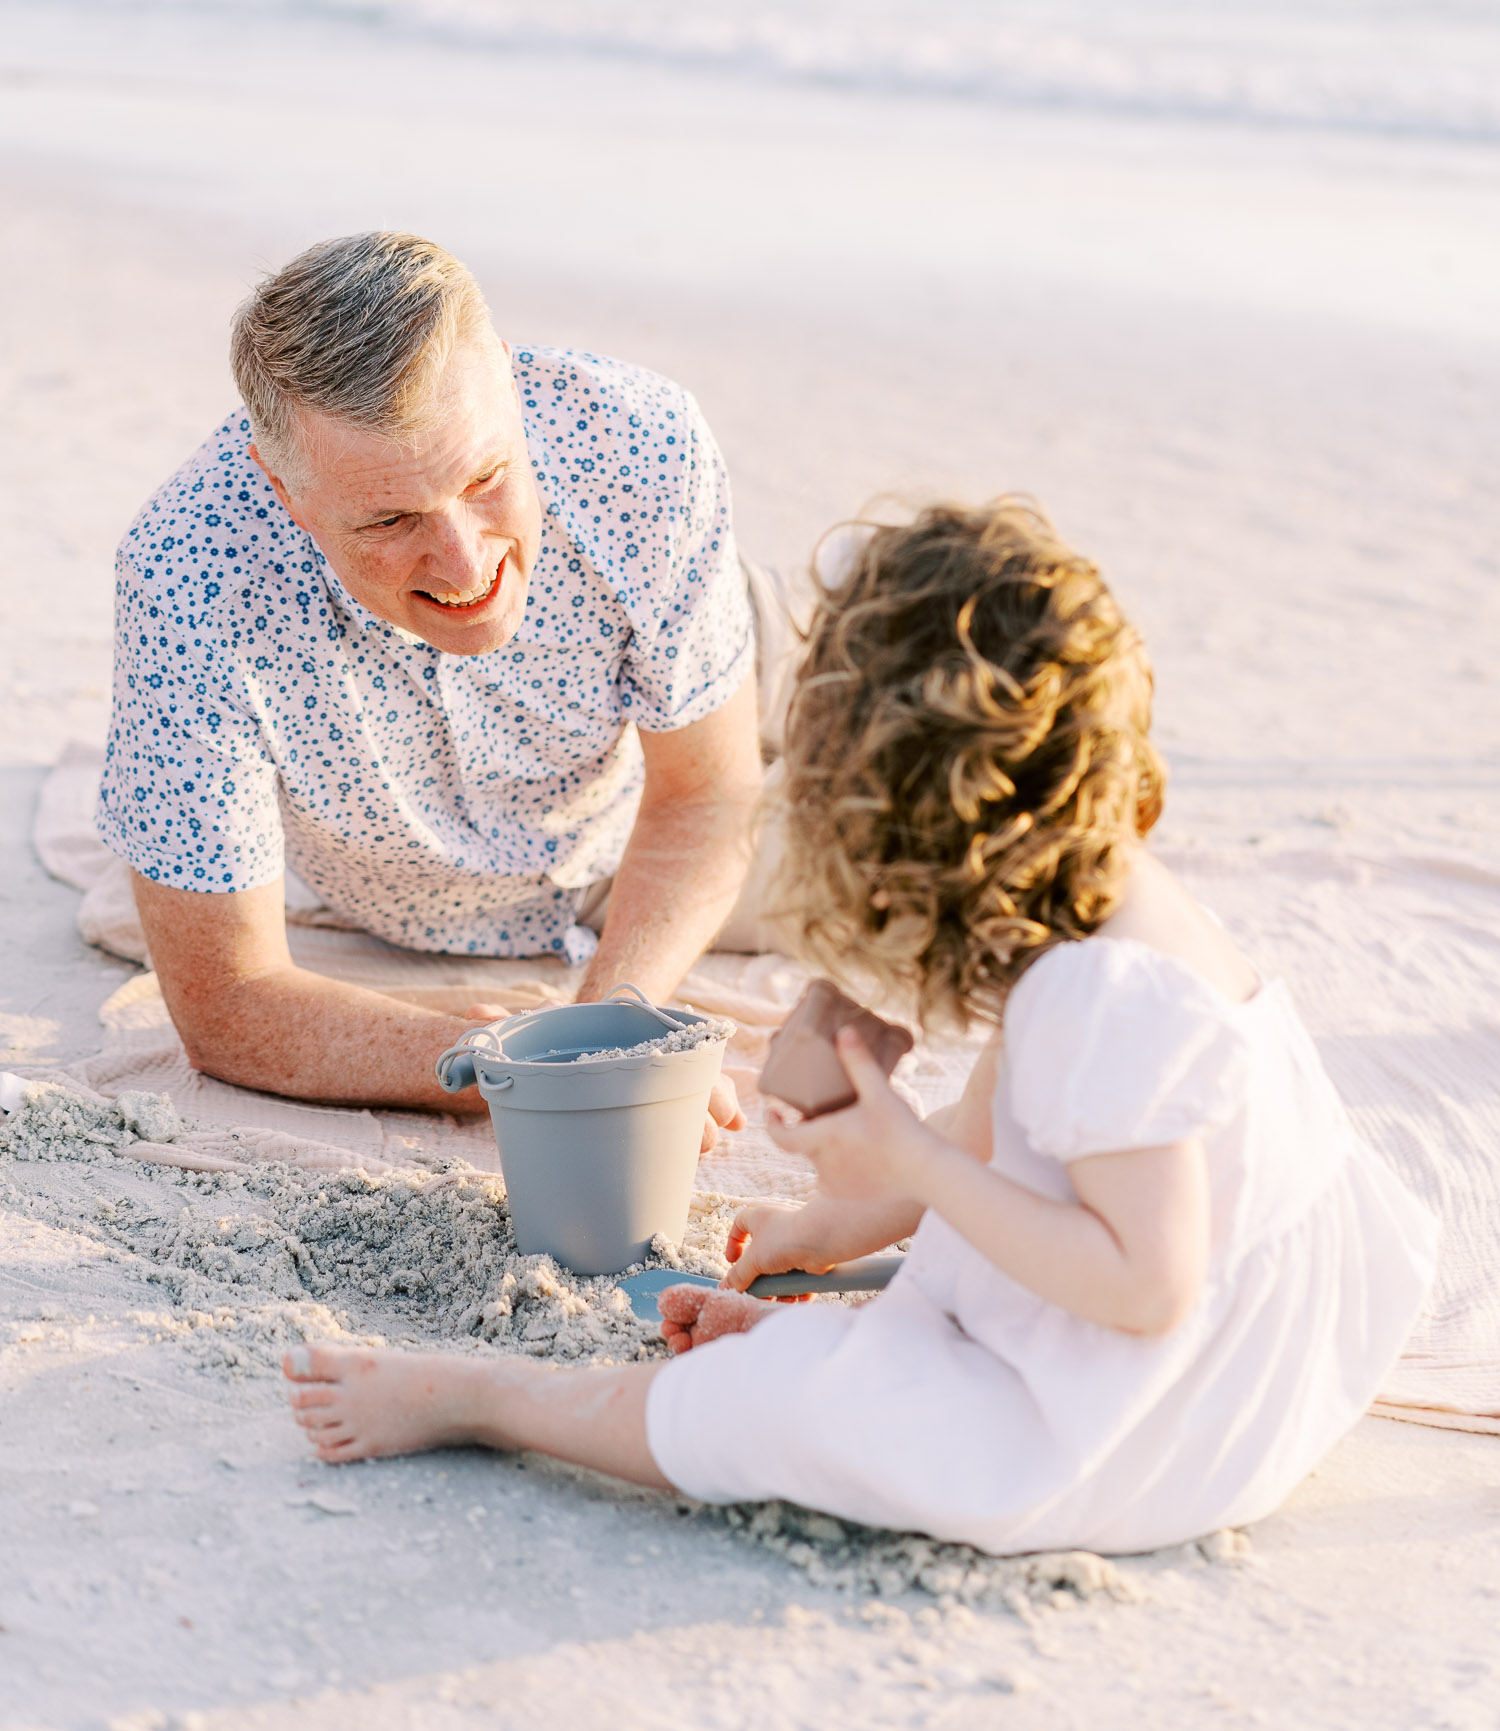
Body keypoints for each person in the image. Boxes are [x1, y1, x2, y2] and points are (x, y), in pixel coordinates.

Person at [281, 500, 1438, 1555]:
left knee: (771, 1409)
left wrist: (912, 1162)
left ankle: (480, 1401)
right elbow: (1001, 1122)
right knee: (871, 1315)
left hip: (1157, 1422)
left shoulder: (1109, 993)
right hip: (1257, 1344)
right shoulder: (1106, 901)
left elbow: (1147, 1288)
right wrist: (834, 1225)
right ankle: (839, 1330)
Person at [97, 232, 766, 1140]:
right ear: (282, 490)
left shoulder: (639, 443)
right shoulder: (188, 578)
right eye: (390, 517)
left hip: (674, 749)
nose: (464, 563)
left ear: (507, 382)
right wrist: (530, 1074)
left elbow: (710, 794)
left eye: (485, 478)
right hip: (402, 896)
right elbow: (227, 1001)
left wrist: (621, 1026)